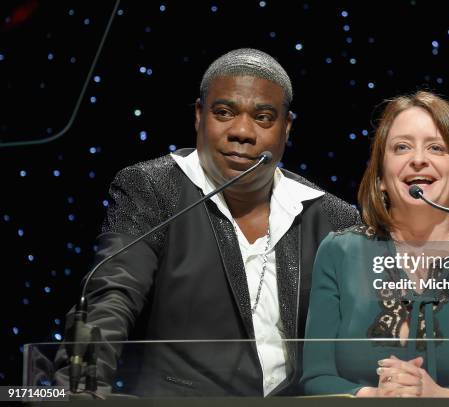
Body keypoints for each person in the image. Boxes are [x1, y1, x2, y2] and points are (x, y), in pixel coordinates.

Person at [59, 48, 360, 397]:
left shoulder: (329, 216)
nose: (242, 131)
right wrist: (79, 391)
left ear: (286, 127)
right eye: (224, 112)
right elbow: (113, 295)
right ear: (199, 116)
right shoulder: (154, 188)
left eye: (263, 117)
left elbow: (357, 334)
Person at [301, 91, 449, 397]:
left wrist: (442, 397)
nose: (418, 159)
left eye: (436, 148)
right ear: (381, 178)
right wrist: (374, 396)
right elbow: (316, 378)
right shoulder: (340, 252)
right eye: (401, 147)